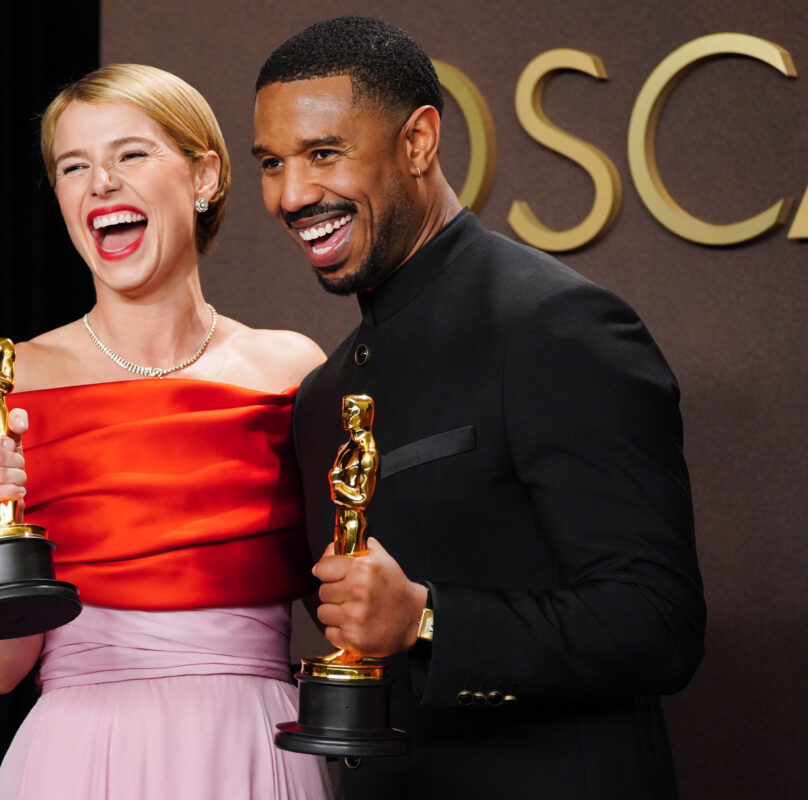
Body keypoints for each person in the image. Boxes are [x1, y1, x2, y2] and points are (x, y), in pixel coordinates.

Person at [251, 17, 706, 800]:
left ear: (418, 142)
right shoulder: (323, 396)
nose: (292, 195)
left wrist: (426, 619)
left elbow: (659, 622)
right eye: (272, 163)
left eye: (324, 153)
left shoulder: (556, 325)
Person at [0, 63, 331, 799]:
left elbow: (353, 615)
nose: (101, 184)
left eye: (131, 154)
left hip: (251, 750)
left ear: (205, 175)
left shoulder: (291, 370)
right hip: (82, 760)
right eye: (74, 166)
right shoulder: (7, 385)